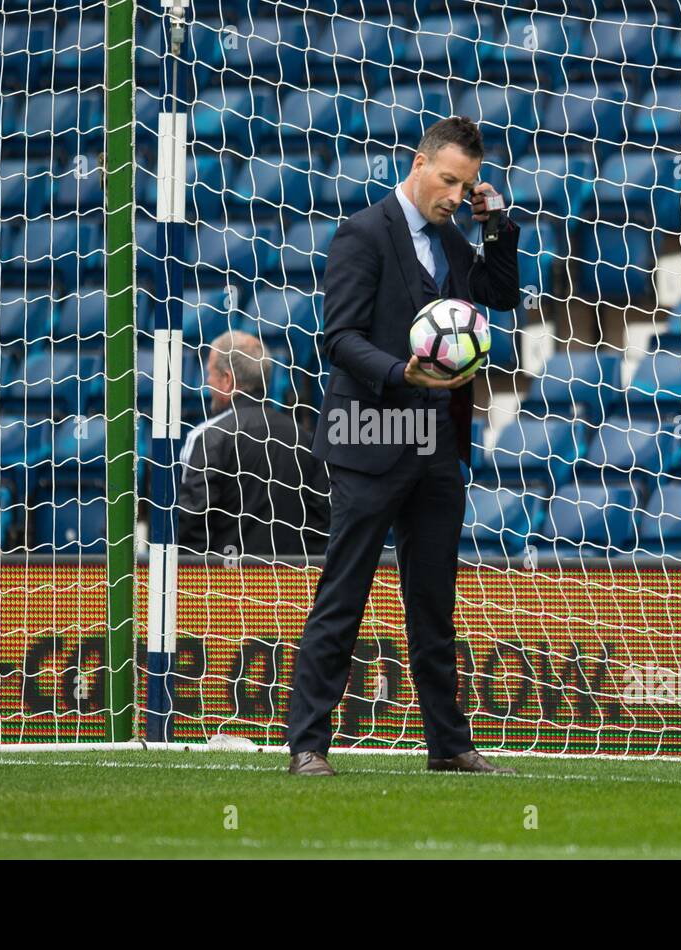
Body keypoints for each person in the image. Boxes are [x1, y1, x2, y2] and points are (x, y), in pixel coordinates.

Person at [286, 117, 521, 776]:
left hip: (437, 441)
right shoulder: (362, 233)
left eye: (466, 183)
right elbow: (338, 338)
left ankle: (449, 747)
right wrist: (401, 373)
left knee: (433, 604)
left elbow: (499, 295)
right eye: (448, 179)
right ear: (419, 164)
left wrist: (495, 222)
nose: (454, 193)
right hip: (369, 435)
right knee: (345, 595)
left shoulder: (450, 236)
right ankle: (308, 745)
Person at [176, 330, 329, 559]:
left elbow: (192, 521)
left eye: (210, 375)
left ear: (227, 380)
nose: (207, 382)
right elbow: (321, 521)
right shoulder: (304, 439)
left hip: (221, 586)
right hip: (289, 586)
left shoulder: (208, 436)